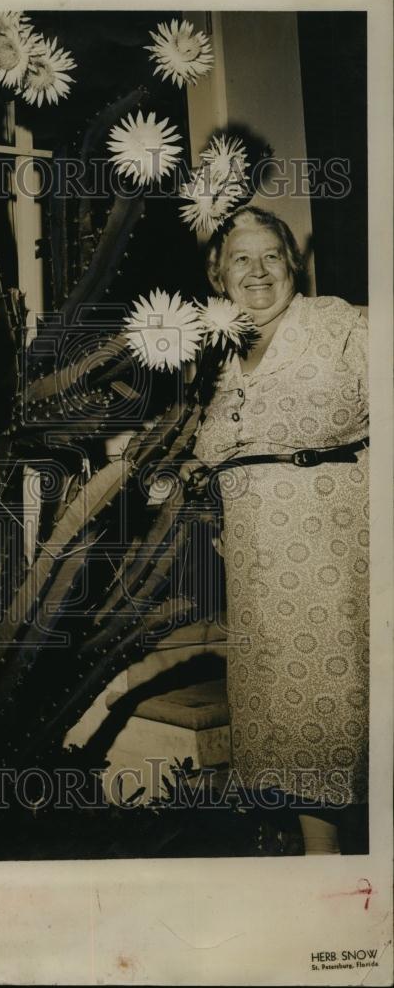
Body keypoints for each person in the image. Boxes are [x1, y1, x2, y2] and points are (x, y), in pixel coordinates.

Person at [171, 206, 369, 854]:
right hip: (258, 575)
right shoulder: (212, 359)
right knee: (290, 724)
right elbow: (195, 455)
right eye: (240, 260)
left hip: (337, 554)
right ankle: (323, 865)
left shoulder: (339, 325)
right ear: (218, 276)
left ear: (293, 265)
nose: (258, 272)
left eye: (271, 257)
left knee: (345, 711)